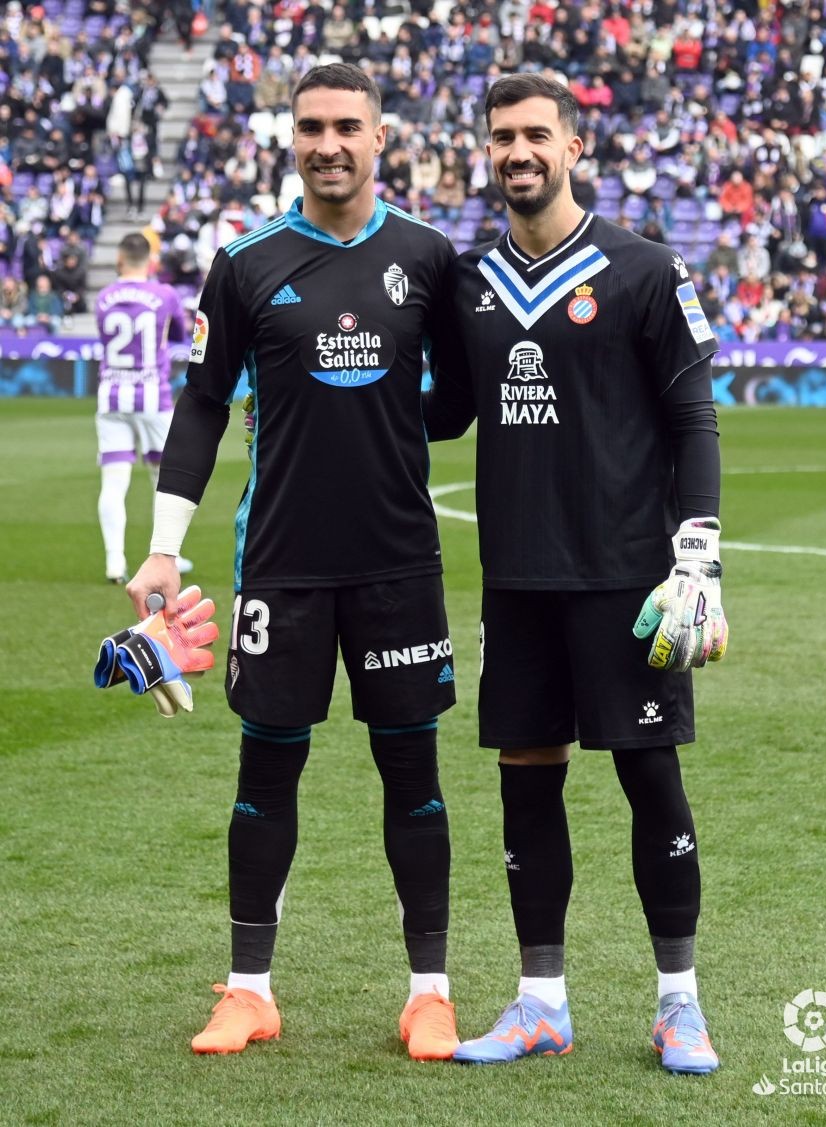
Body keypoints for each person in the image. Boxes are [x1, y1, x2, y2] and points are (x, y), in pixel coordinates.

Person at [125, 64, 463, 1061]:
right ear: (292, 138)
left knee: (414, 774)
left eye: (347, 126)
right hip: (280, 562)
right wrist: (163, 545)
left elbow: (456, 403)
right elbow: (202, 402)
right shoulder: (245, 262)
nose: (328, 144)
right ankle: (250, 990)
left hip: (399, 561)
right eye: (311, 126)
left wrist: (389, 413)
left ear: (379, 136)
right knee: (266, 771)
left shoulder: (427, 255)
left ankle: (431, 995)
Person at [423, 74, 727, 1074]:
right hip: (516, 578)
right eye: (502, 136)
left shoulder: (644, 269)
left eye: (536, 135)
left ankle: (679, 1003)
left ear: (573, 146)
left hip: (626, 580)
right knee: (526, 785)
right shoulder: (470, 283)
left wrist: (698, 556)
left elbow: (693, 418)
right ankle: (541, 1001)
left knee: (651, 778)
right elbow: (446, 412)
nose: (519, 152)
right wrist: (330, 402)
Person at [95, 232, 192, 584]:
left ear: (119, 260)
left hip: (112, 395)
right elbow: (180, 334)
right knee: (163, 478)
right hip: (153, 395)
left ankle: (114, 561)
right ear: (151, 261)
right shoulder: (164, 295)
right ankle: (167, 555)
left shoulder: (104, 297)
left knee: (114, 481)